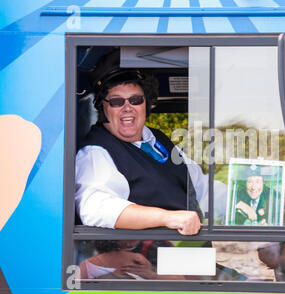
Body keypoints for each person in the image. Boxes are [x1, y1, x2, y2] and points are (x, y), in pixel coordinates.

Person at [75, 50, 207, 235]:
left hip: (188, 255)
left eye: (136, 100)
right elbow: (95, 208)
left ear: (146, 103)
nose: (127, 108)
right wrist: (168, 217)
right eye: (116, 101)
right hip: (145, 259)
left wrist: (243, 192)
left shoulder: (158, 140)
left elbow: (201, 186)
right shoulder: (95, 151)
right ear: (103, 107)